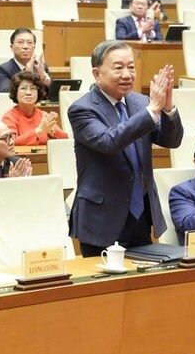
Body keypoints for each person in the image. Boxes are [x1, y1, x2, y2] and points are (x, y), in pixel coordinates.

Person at [67, 40, 183, 256]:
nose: (127, 74)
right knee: (102, 277)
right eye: (118, 68)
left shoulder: (141, 103)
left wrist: (167, 109)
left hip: (140, 215)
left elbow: (171, 141)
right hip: (102, 219)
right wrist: (152, 111)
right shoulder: (82, 109)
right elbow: (109, 141)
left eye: (131, 67)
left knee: (145, 274)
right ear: (97, 73)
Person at [2, 71, 68, 146]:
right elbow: (11, 142)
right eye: (23, 88)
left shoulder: (43, 115)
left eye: (33, 88)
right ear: (15, 93)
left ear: (38, 92)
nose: (28, 93)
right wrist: (38, 130)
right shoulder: (9, 117)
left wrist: (51, 131)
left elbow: (65, 139)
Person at [0, 28, 50, 92]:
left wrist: (47, 83)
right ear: (12, 47)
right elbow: (5, 92)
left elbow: (51, 94)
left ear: (34, 48)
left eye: (29, 42)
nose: (25, 46)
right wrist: (26, 75)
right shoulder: (3, 69)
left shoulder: (40, 67)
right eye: (20, 42)